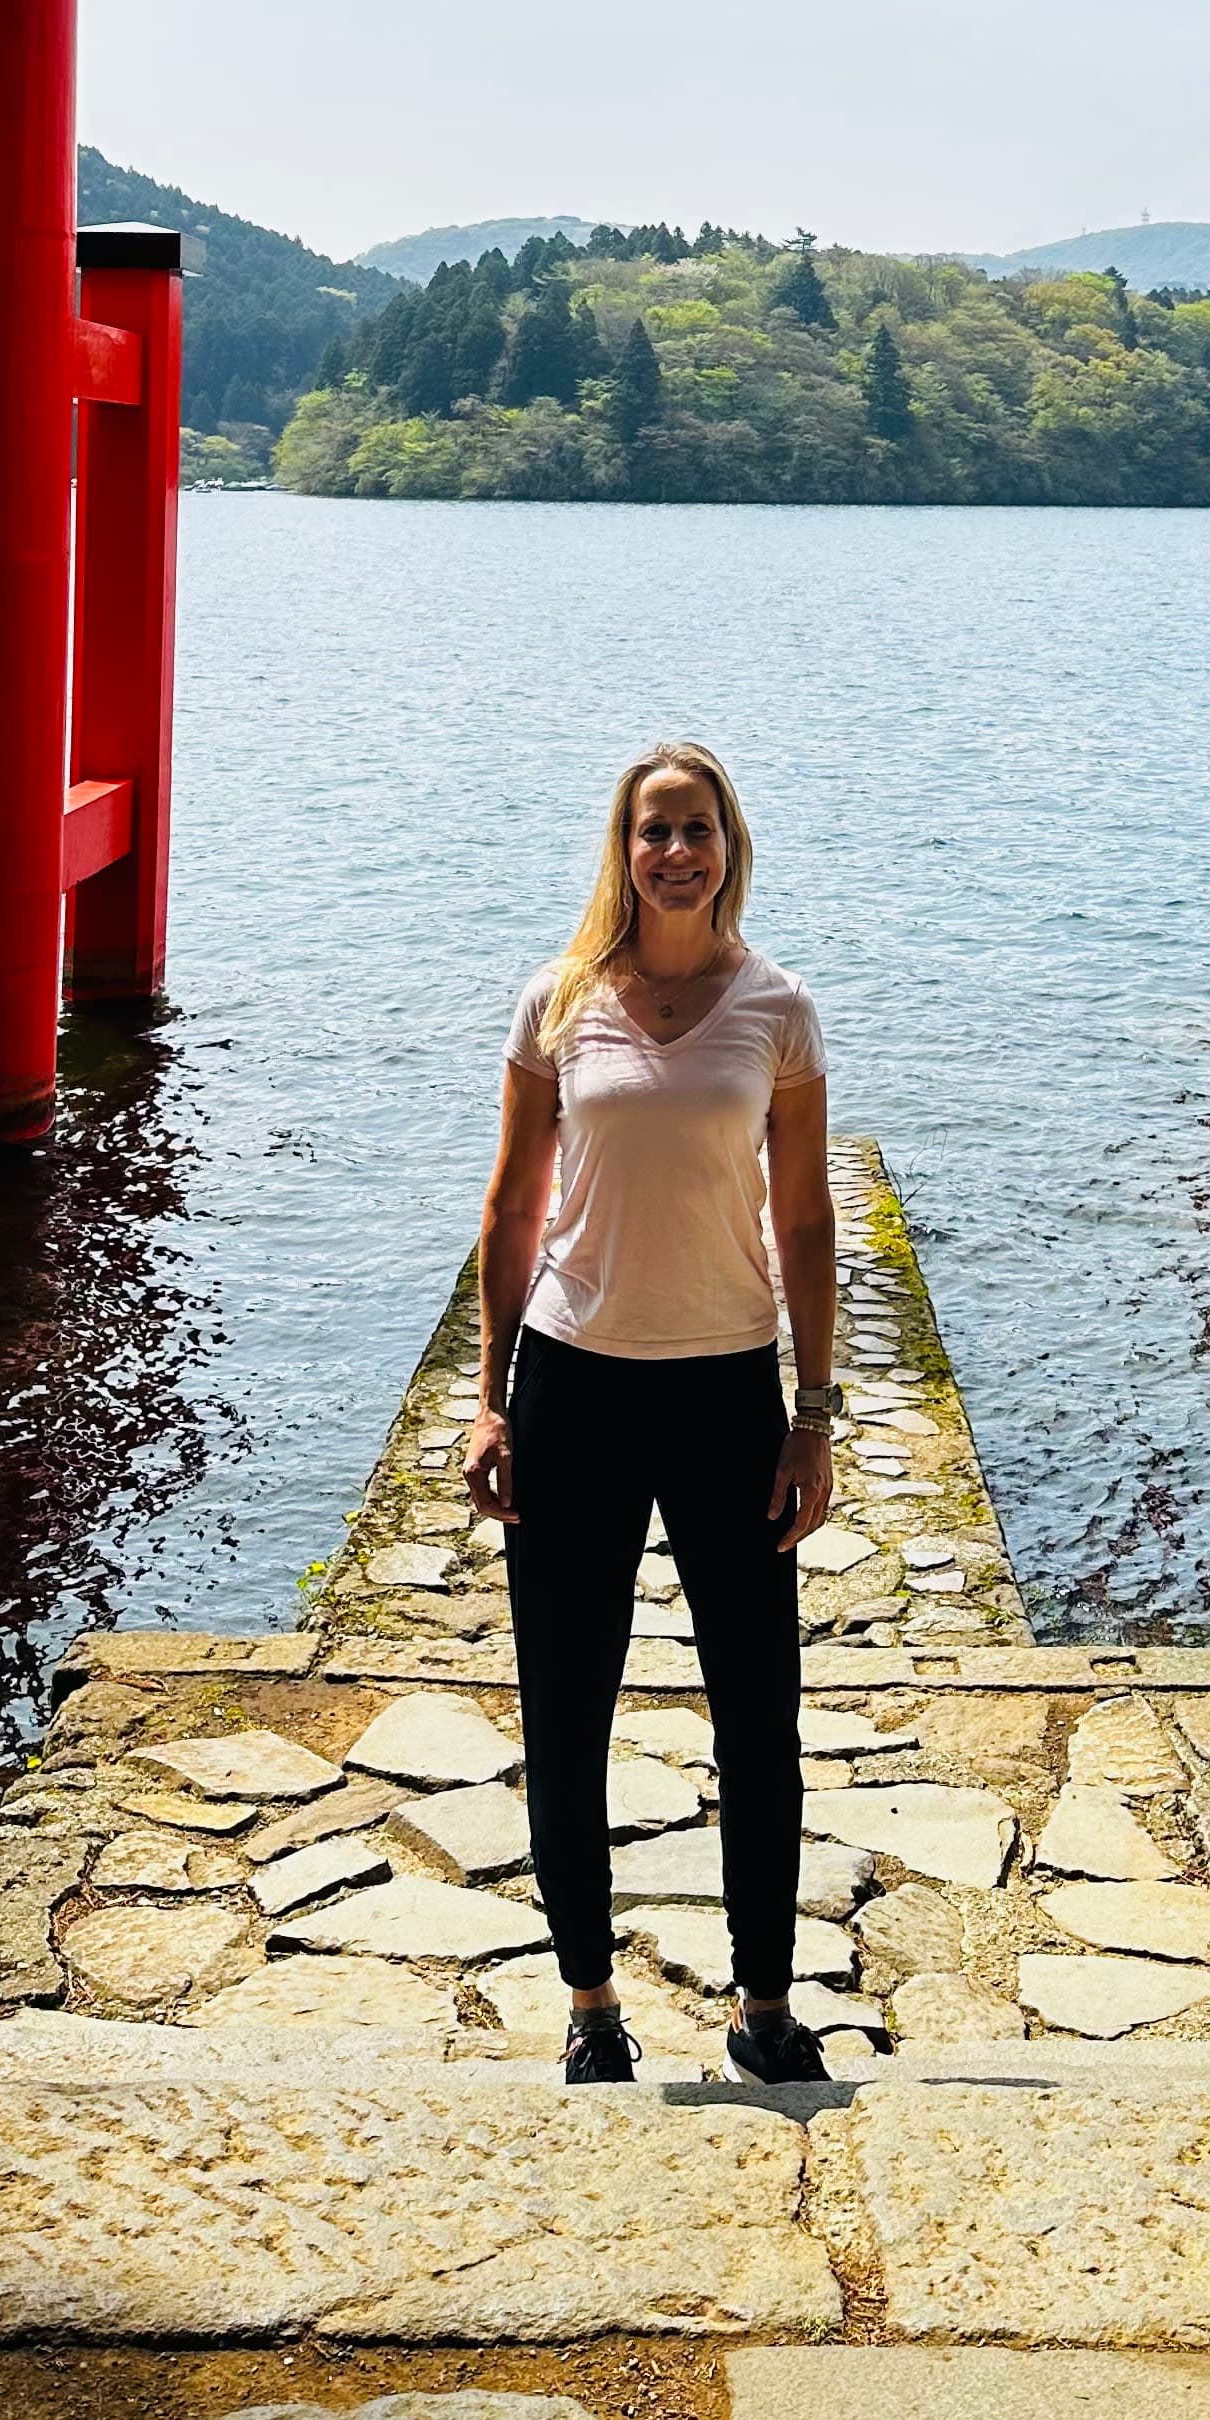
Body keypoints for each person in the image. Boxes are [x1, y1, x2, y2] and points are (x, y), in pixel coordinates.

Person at [465, 739, 840, 2087]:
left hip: (731, 1389)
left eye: (698, 829)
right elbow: (513, 1209)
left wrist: (817, 1411)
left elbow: (803, 1219)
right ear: (622, 852)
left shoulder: (778, 1011)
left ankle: (761, 2003)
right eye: (653, 831)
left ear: (730, 846)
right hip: (575, 1386)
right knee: (568, 1703)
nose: (675, 852)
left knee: (760, 1711)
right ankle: (589, 1997)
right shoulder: (558, 1005)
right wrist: (489, 1398)